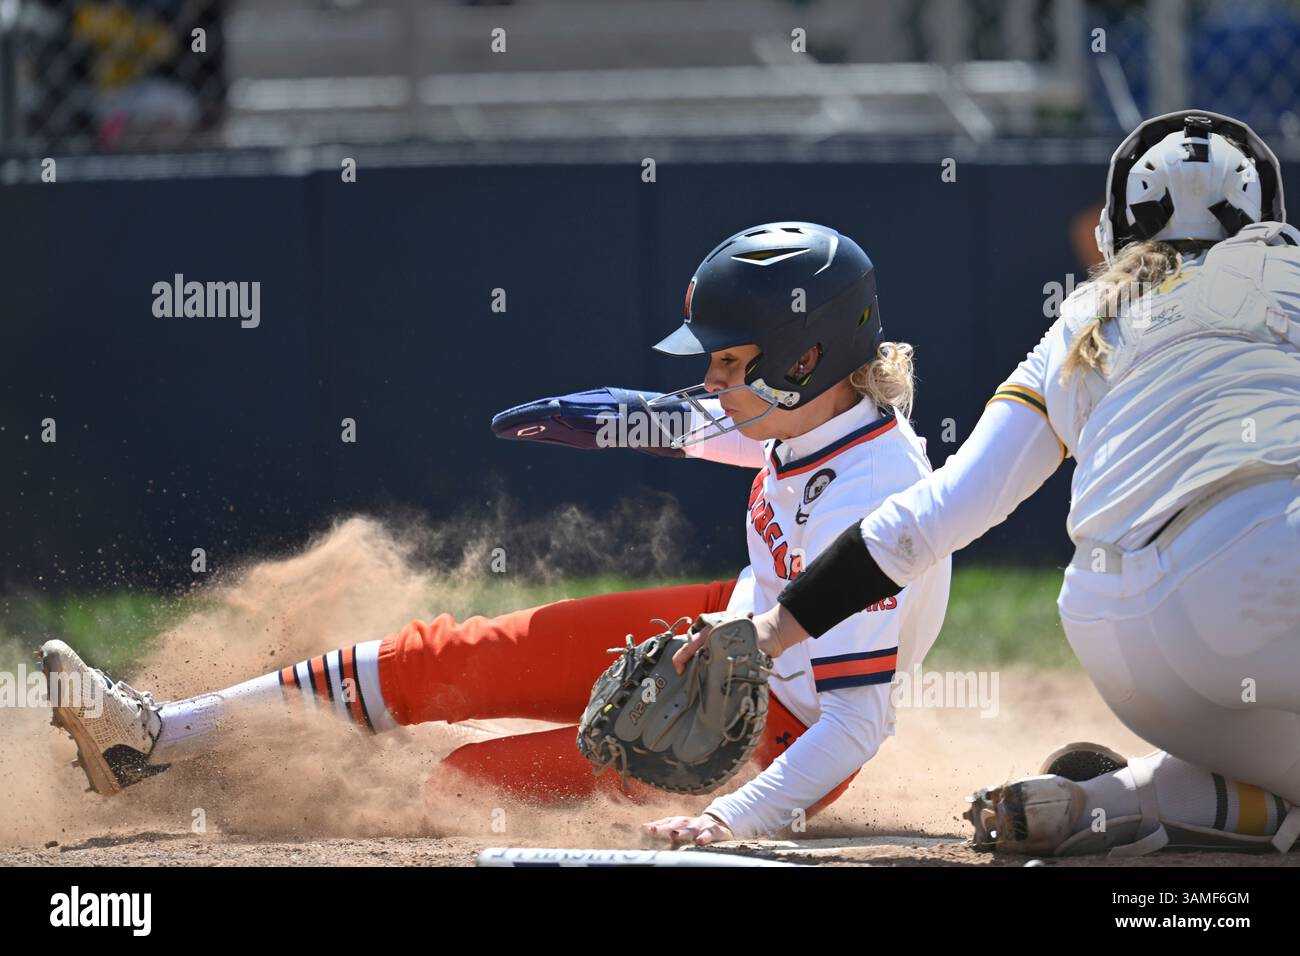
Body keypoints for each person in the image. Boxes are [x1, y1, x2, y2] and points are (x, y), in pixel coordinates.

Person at [40, 221, 951, 846]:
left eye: (729, 361)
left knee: (464, 786)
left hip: (783, 728)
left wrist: (731, 817)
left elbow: (857, 721)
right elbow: (694, 426)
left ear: (804, 362)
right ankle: (158, 743)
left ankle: (221, 784)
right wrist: (604, 418)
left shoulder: (878, 504)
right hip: (732, 625)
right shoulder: (802, 418)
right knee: (442, 658)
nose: (711, 381)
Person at [733, 113, 1300, 856]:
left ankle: (1102, 800)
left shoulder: (1079, 321)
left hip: (1121, 644)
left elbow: (940, 512)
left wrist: (774, 631)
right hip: (1269, 586)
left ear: (1116, 230)